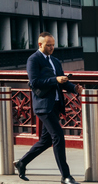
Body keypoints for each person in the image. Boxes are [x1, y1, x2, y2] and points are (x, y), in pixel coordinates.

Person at [14, 33, 78, 184]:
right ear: (40, 45)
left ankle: (21, 163)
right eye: (48, 45)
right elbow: (35, 82)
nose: (51, 47)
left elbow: (62, 82)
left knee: (45, 140)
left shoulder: (55, 61)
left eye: (53, 44)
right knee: (58, 137)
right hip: (43, 106)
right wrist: (55, 79)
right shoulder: (33, 59)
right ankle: (66, 176)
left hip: (55, 105)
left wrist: (75, 88)